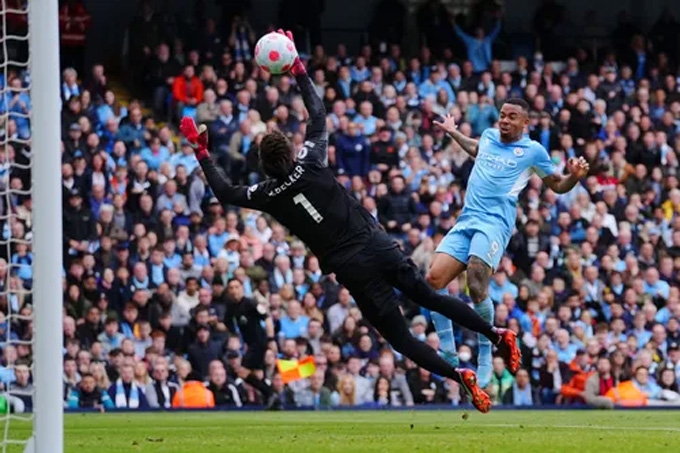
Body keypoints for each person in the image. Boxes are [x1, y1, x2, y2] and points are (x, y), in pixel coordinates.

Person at [180, 30, 521, 414]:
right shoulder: (312, 162)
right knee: (430, 298)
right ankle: (495, 333)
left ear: (265, 168)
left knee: (402, 340)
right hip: (376, 244)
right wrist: (298, 69)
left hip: (352, 267)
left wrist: (202, 152)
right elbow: (319, 115)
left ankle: (460, 376)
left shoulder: (267, 194)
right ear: (292, 152)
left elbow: (226, 193)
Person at [426, 100, 590, 388]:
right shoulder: (489, 136)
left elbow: (556, 184)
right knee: (433, 280)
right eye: (502, 115)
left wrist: (574, 177)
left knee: (476, 282)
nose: (504, 120)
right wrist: (453, 132)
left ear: (524, 123)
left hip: (494, 223)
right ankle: (449, 353)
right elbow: (476, 148)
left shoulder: (533, 151)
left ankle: (486, 352)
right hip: (467, 220)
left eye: (512, 117)